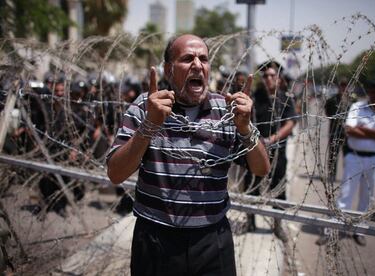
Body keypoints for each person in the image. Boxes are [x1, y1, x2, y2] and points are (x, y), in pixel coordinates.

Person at [106, 34, 270, 276]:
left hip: (212, 240)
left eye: (203, 58)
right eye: (187, 58)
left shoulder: (227, 111)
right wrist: (150, 124)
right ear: (168, 70)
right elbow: (115, 173)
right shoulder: (145, 107)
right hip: (156, 240)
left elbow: (261, 169)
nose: (197, 65)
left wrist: (244, 128)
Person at [317, 80, 375, 246]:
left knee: (367, 196)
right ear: (369, 92)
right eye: (373, 91)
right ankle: (332, 228)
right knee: (345, 194)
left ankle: (359, 229)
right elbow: (350, 129)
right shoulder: (357, 107)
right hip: (354, 156)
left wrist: (364, 129)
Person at [244, 61, 297, 241]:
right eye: (265, 76)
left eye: (272, 75)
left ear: (279, 78)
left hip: (277, 151)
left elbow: (290, 123)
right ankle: (250, 220)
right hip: (255, 150)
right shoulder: (256, 97)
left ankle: (278, 225)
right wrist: (257, 141)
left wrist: (272, 139)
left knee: (279, 189)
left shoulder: (286, 99)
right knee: (251, 186)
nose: (268, 79)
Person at [324, 78, 351, 182]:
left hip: (347, 133)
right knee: (333, 154)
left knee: (347, 155)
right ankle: (331, 174)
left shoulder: (351, 101)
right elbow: (327, 112)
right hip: (334, 131)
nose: (343, 88)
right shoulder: (332, 100)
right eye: (342, 85)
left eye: (345, 86)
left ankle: (347, 175)